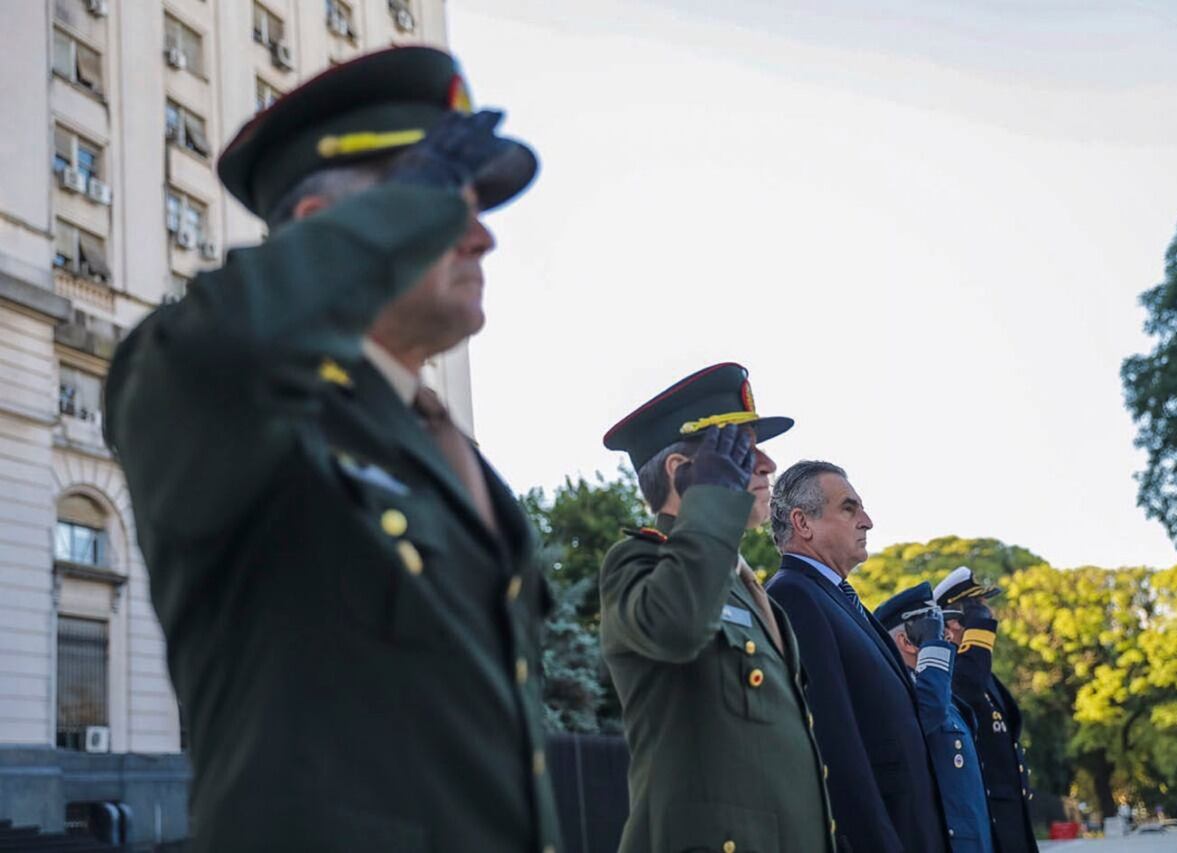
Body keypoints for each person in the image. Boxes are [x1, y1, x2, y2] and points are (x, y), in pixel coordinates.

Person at [104, 47, 560, 852]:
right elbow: (225, 351)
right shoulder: (229, 407)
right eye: (442, 204)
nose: (481, 236)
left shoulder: (447, 451)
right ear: (323, 234)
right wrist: (401, 218)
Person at [598, 363, 836, 853]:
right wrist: (710, 503)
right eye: (741, 452)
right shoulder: (638, 562)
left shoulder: (750, 591)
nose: (768, 465)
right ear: (681, 473)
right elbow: (677, 626)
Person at [765, 461, 948, 853]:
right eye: (849, 508)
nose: (866, 521)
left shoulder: (840, 598)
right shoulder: (794, 595)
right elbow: (834, 741)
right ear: (803, 522)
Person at [874, 582, 996, 853]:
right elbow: (927, 715)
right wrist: (932, 646)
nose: (947, 638)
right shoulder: (906, 693)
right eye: (936, 630)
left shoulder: (937, 687)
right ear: (906, 641)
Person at [936, 565, 1040, 853]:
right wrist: (979, 632)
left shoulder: (980, 669)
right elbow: (966, 689)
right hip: (987, 819)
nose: (988, 615)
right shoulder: (947, 669)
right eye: (977, 608)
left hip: (1009, 816)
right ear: (953, 621)